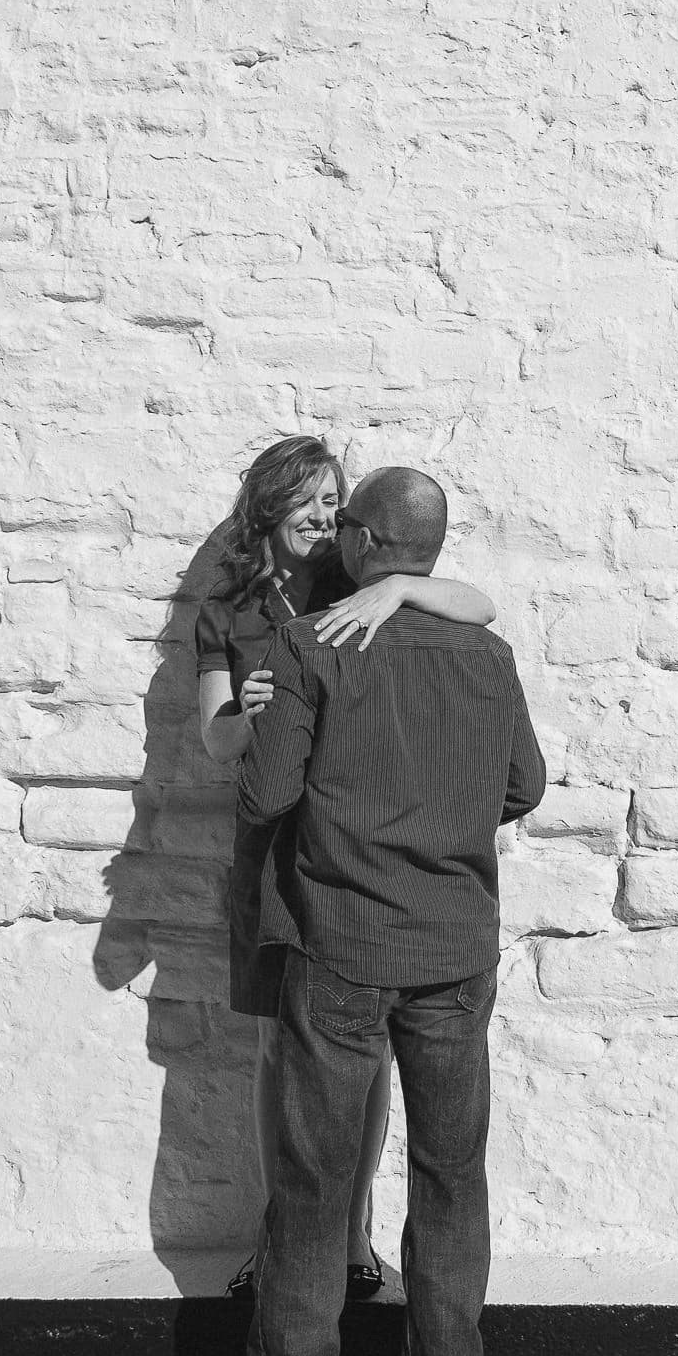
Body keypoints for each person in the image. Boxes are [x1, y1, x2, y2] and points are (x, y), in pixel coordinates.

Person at [183, 466, 545, 1356]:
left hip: (338, 951)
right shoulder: (487, 651)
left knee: (310, 1189)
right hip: (453, 954)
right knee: (450, 1177)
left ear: (374, 544)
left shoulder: (310, 646)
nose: (335, 531)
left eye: (350, 520)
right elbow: (525, 784)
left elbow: (262, 795)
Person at [195, 435, 497, 1298]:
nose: (326, 518)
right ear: (270, 508)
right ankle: (283, 1235)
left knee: (353, 1058)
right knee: (278, 1054)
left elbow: (479, 606)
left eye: (336, 502)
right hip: (271, 853)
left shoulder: (358, 588)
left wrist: (401, 584)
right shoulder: (229, 610)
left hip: (351, 859)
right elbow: (215, 741)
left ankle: (355, 1229)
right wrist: (250, 717)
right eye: (310, 502)